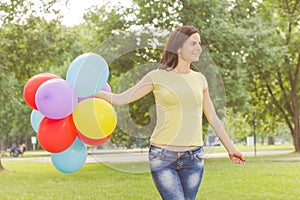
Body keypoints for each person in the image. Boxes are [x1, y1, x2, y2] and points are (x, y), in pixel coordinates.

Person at [95, 25, 245, 200]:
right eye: (193, 43)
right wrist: (90, 92)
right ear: (179, 48)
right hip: (163, 156)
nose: (199, 48)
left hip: (194, 158)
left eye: (199, 43)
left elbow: (212, 116)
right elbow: (120, 99)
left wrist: (231, 149)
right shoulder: (156, 76)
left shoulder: (200, 79)